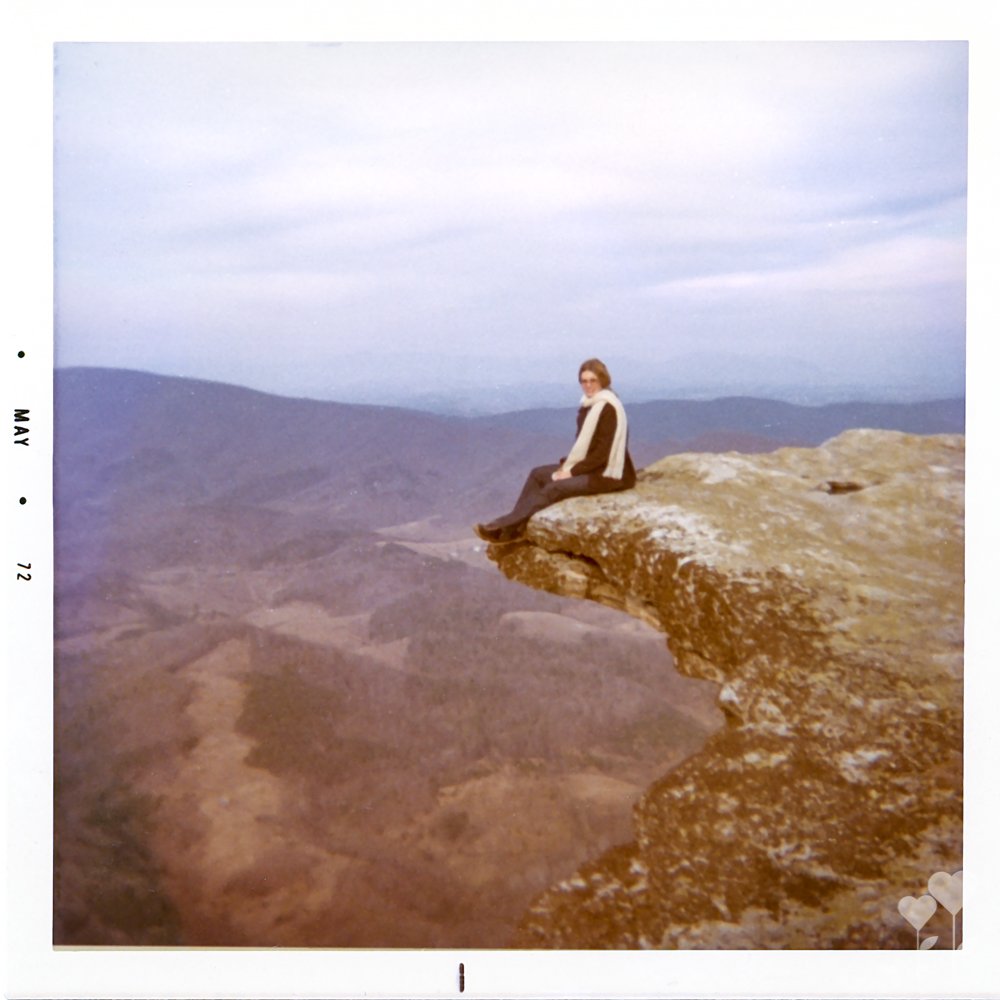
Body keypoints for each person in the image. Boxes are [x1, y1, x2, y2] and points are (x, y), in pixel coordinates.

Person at [475, 358, 637, 543]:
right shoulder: (590, 405)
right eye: (584, 381)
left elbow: (603, 454)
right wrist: (567, 465)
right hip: (593, 468)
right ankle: (516, 528)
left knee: (554, 488)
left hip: (608, 475)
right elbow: (588, 448)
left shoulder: (608, 408)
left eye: (592, 380)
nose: (588, 385)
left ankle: (503, 527)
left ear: (602, 380)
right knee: (538, 474)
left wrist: (571, 472)